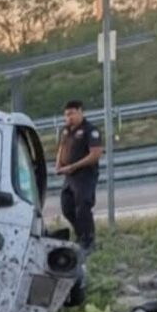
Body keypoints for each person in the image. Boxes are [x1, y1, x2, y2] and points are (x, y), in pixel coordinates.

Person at [56, 100, 104, 251]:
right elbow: (61, 147)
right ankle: (80, 235)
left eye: (72, 113)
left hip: (84, 175)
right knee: (67, 207)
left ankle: (89, 240)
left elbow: (95, 154)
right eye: (66, 115)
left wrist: (73, 166)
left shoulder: (90, 130)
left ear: (80, 111)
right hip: (69, 176)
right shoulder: (65, 130)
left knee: (83, 207)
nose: (69, 117)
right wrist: (59, 164)